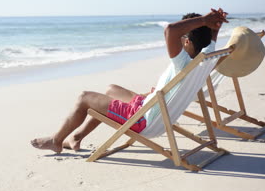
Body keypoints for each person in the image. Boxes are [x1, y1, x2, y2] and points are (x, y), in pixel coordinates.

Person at [31, 8, 228, 153]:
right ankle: (76, 137)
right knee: (110, 90)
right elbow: (208, 39)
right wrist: (213, 26)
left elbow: (170, 30)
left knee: (84, 97)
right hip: (152, 109)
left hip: (144, 121)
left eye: (182, 39)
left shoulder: (183, 63)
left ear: (186, 41)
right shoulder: (207, 59)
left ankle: (56, 141)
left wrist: (204, 19)